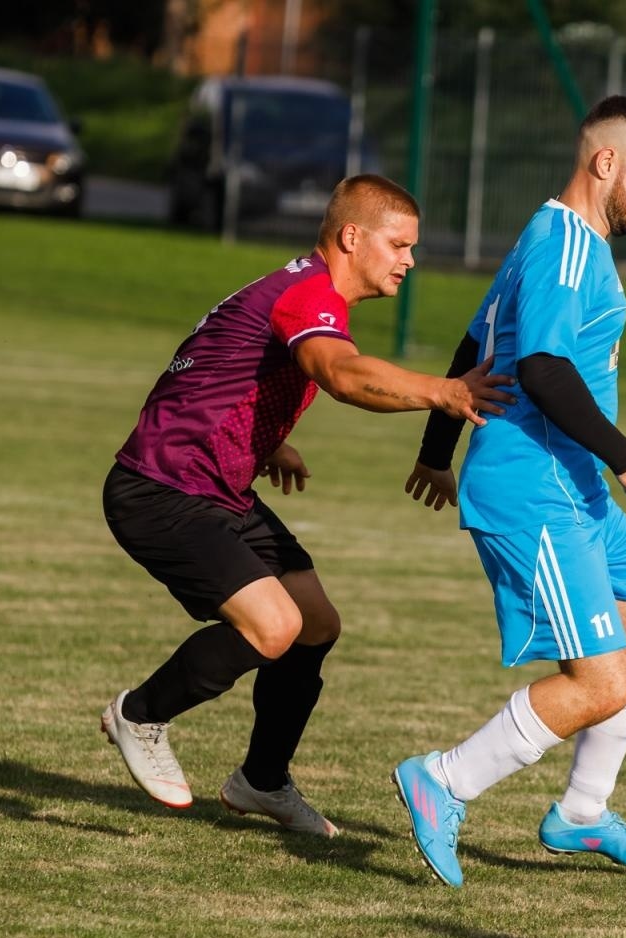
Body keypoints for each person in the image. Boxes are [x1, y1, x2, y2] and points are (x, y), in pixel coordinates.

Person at [101, 174, 512, 837]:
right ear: (353, 237)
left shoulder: (301, 289)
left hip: (215, 485)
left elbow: (216, 367)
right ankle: (140, 714)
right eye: (399, 244)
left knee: (316, 623)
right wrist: (442, 391)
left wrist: (267, 441)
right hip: (163, 490)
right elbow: (344, 376)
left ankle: (261, 781)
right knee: (274, 628)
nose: (410, 260)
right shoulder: (308, 295)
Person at [392, 97, 626, 888]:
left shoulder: (555, 235)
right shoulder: (565, 250)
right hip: (535, 490)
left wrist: (435, 451)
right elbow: (543, 371)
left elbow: (471, 344)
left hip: (575, 487)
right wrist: (624, 454)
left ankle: (582, 815)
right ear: (606, 163)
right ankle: (442, 781)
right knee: (601, 680)